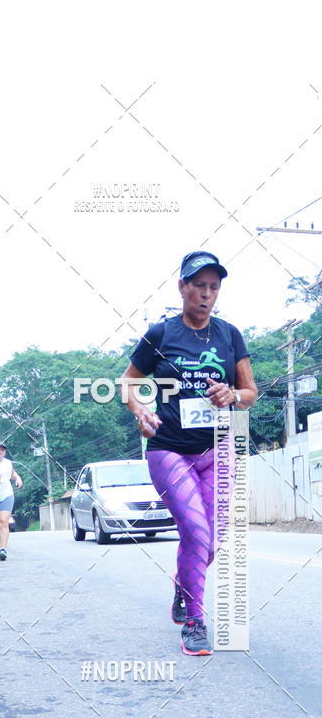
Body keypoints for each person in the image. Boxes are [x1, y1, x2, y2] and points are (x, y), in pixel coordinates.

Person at [119, 251, 257, 655]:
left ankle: (183, 586)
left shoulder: (230, 335)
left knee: (212, 541)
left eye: (214, 287)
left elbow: (250, 392)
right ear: (182, 287)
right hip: (170, 450)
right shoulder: (161, 335)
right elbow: (127, 383)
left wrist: (232, 394)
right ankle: (195, 621)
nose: (206, 294)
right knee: (195, 531)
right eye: (199, 285)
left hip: (219, 448)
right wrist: (140, 409)